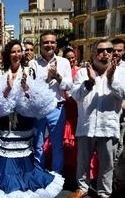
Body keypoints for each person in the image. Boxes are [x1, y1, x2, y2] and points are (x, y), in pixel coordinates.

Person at [0, 39, 64, 198]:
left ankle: (22, 189)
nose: (16, 54)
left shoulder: (31, 72)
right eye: (13, 51)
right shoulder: (0, 74)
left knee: (24, 158)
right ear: (8, 55)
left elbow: (37, 100)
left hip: (24, 122)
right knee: (4, 158)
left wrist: (26, 89)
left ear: (22, 53)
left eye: (19, 51)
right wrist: (7, 88)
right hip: (5, 121)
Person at [70, 39, 125, 198]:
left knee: (107, 164)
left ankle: (104, 193)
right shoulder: (82, 72)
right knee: (82, 162)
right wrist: (90, 81)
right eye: (101, 50)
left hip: (108, 126)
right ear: (93, 53)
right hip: (86, 126)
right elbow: (75, 95)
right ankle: (82, 189)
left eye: (109, 50)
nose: (106, 53)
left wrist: (111, 78)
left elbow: (122, 94)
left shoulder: (121, 72)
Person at [29, 31, 73, 174]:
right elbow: (31, 87)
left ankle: (56, 176)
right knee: (38, 144)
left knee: (57, 145)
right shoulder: (33, 63)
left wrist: (57, 77)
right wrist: (47, 79)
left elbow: (69, 86)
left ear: (56, 44)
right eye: (45, 42)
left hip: (57, 109)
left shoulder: (64, 62)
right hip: (39, 110)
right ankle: (39, 174)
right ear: (40, 45)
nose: (49, 45)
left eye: (52, 42)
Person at [112, 38, 125, 161]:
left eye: (119, 50)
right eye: (114, 50)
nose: (116, 53)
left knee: (119, 142)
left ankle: (116, 173)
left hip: (122, 113)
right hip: (107, 112)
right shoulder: (105, 65)